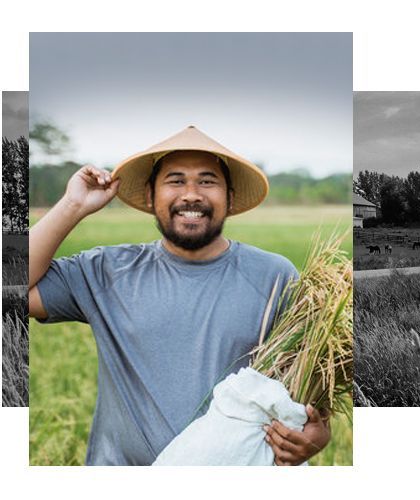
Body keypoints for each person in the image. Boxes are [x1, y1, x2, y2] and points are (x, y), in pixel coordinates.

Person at [29, 125, 331, 466]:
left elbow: (310, 385)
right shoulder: (104, 271)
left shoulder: (276, 276)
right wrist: (73, 204)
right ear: (149, 196)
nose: (191, 194)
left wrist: (317, 434)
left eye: (207, 181)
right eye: (175, 180)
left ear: (230, 198)